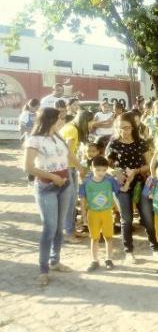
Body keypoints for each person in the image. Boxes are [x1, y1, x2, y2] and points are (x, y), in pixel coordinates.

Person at [24, 108, 83, 286]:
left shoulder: (58, 136)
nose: (63, 121)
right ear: (50, 119)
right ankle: (43, 269)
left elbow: (69, 155)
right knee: (49, 228)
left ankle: (55, 261)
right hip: (46, 186)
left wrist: (81, 167)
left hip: (64, 185)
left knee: (59, 228)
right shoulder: (34, 140)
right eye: (60, 118)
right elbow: (28, 167)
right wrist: (52, 177)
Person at [105, 112, 158, 263]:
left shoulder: (141, 143)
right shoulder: (113, 144)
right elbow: (105, 165)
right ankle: (129, 251)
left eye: (127, 127)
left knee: (148, 217)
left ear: (133, 127)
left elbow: (149, 165)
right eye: (121, 128)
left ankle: (155, 248)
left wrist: (136, 171)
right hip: (122, 185)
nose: (124, 131)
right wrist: (115, 171)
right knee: (126, 219)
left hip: (140, 183)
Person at [80, 156, 120, 272]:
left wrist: (118, 211)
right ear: (92, 168)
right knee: (94, 238)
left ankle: (109, 259)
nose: (101, 173)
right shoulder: (86, 183)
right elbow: (82, 200)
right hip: (93, 213)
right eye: (98, 170)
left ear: (107, 169)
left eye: (103, 170)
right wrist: (83, 216)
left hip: (107, 213)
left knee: (109, 237)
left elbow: (117, 193)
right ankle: (94, 260)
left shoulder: (110, 180)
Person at [59, 109, 94, 243]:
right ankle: (68, 233)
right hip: (67, 167)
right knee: (70, 201)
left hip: (69, 167)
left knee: (72, 200)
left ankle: (71, 230)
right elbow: (67, 152)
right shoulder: (72, 130)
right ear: (84, 121)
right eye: (90, 122)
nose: (91, 126)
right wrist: (80, 167)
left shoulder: (70, 127)